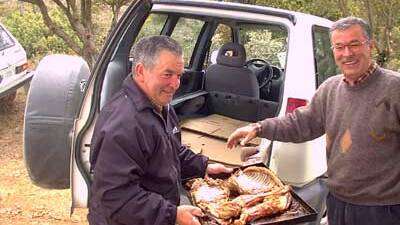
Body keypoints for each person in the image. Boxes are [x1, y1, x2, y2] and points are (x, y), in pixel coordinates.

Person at [227, 16, 400, 225]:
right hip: (338, 200)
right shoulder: (330, 88)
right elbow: (301, 124)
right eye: (339, 46)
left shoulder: (394, 89)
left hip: (384, 210)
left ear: (370, 46)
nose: (347, 53)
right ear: (333, 50)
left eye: (354, 44)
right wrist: (258, 128)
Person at [88, 35, 232, 225]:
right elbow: (117, 198)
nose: (175, 84)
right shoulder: (123, 125)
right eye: (167, 74)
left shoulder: (161, 105)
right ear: (140, 71)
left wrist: (203, 166)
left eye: (179, 75)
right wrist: (172, 215)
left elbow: (171, 150)